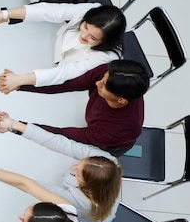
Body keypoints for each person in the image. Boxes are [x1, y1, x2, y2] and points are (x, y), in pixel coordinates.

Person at [0, 113, 122, 222]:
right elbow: (59, 142)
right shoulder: (107, 160)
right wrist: (13, 124)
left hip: (91, 220)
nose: (74, 167)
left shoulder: (83, 203)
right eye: (81, 163)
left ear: (89, 186)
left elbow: (32, 186)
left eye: (79, 174)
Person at [16, 59, 149, 156]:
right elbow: (66, 84)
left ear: (121, 100)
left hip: (110, 145)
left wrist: (16, 126)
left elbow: (61, 136)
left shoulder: (117, 129)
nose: (97, 83)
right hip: (101, 128)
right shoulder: (109, 72)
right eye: (102, 79)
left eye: (103, 85)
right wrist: (19, 84)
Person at [0, 3, 126, 89]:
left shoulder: (107, 57)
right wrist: (3, 15)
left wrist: (20, 80)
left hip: (65, 70)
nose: (84, 35)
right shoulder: (92, 9)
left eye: (93, 38)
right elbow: (50, 10)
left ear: (105, 42)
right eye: (85, 27)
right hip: (57, 49)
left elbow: (65, 73)